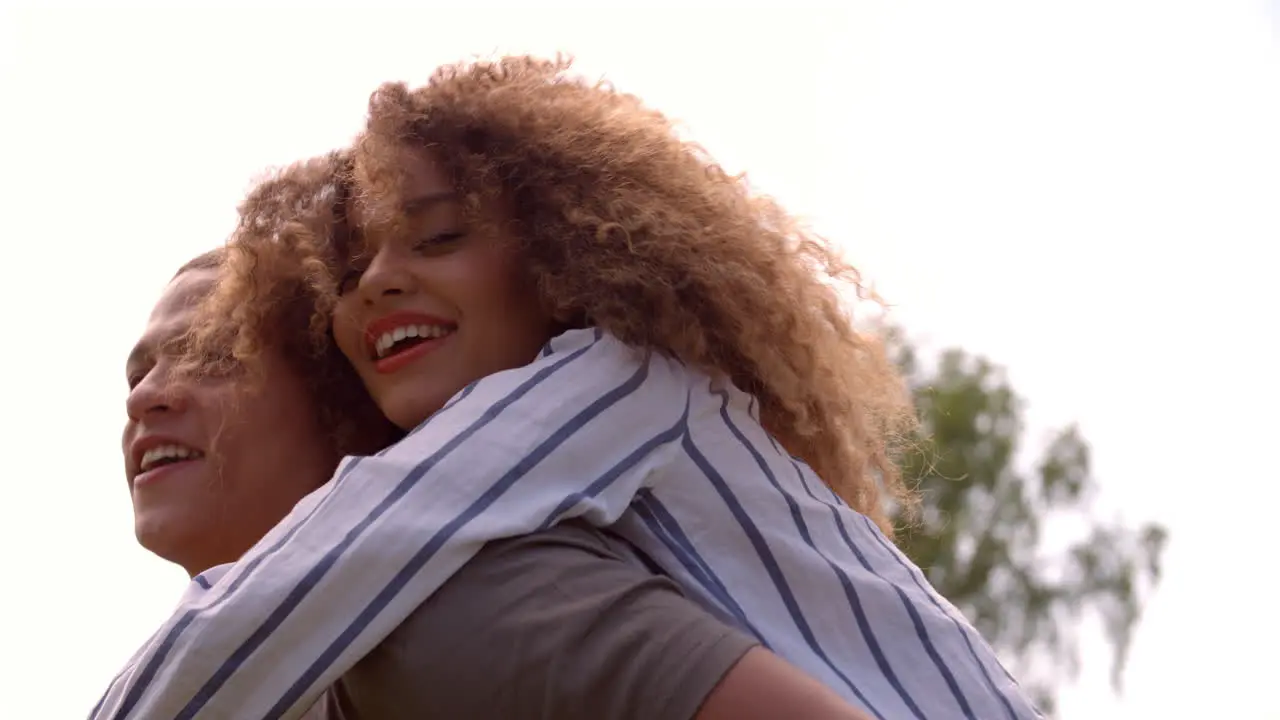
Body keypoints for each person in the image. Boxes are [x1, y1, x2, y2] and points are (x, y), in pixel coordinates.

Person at [98, 56, 1041, 720]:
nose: (380, 281)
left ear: (558, 265)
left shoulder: (611, 385)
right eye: (351, 268)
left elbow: (319, 573)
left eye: (438, 237)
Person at [111, 246, 871, 720]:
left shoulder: (463, 617)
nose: (148, 396)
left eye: (211, 357)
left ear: (339, 400)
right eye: (137, 374)